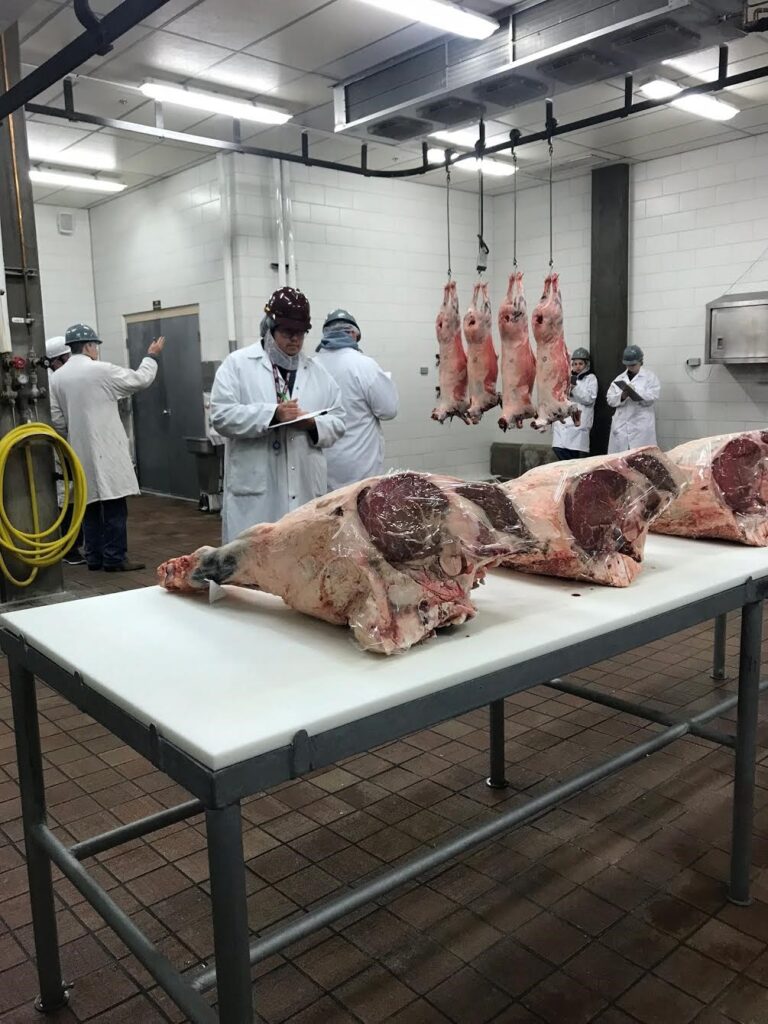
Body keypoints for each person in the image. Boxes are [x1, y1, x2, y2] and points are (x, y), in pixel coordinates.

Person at [210, 287, 345, 542]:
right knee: (250, 567)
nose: (295, 339)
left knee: (298, 562)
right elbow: (220, 416)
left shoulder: (317, 372)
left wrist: (312, 424)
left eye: (301, 333)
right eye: (287, 332)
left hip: (304, 492)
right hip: (256, 496)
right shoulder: (238, 365)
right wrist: (272, 415)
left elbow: (339, 420)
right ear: (269, 328)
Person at [50, 323, 165, 572]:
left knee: (89, 505)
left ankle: (93, 557)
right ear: (89, 346)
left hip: (78, 449)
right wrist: (151, 356)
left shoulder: (57, 378)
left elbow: (57, 419)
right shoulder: (100, 370)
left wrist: (76, 435)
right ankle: (114, 558)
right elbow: (140, 379)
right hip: (107, 448)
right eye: (95, 346)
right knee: (114, 504)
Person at [315, 308, 398, 490]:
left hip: (323, 470)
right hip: (359, 471)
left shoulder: (311, 366)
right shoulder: (364, 365)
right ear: (353, 333)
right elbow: (389, 410)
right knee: (359, 516)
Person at [46, 336, 84, 565]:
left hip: (65, 443)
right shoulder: (54, 381)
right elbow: (58, 420)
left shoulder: (57, 378)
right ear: (57, 360)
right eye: (67, 357)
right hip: (61, 445)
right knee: (67, 496)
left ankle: (71, 546)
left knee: (69, 495)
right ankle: (69, 549)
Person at [607, 344, 660, 453]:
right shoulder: (619, 378)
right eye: (628, 365)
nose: (630, 367)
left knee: (641, 460)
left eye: (633, 365)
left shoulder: (650, 377)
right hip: (621, 428)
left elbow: (654, 395)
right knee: (621, 461)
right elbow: (610, 399)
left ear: (640, 361)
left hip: (640, 428)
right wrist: (622, 396)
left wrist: (636, 392)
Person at [552, 347, 597, 460]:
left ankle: (572, 477)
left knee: (574, 459)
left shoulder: (591, 379)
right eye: (575, 363)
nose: (577, 366)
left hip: (578, 424)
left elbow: (589, 398)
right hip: (562, 423)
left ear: (586, 364)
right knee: (558, 449)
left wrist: (574, 388)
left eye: (580, 364)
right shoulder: (566, 377)